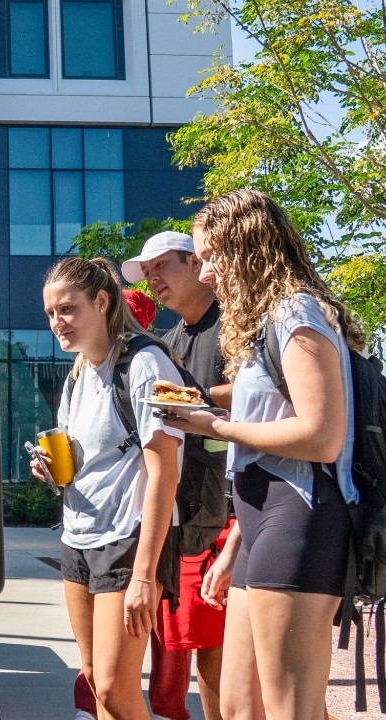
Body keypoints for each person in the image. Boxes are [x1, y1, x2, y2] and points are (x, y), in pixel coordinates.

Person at [166, 189, 361, 720]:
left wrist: (219, 427)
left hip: (301, 514)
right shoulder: (264, 320)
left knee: (288, 710)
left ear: (246, 247)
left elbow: (322, 435)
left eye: (209, 257)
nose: (205, 274)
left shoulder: (296, 310)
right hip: (261, 520)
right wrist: (234, 547)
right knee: (238, 707)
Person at [33, 257, 184, 720]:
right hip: (79, 539)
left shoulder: (144, 363)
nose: (57, 322)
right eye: (50, 314)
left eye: (68, 309)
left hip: (129, 540)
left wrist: (145, 574)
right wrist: (52, 469)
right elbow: (82, 462)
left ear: (101, 301)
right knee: (97, 681)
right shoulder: (78, 374)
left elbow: (165, 472)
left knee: (118, 689)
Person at [126, 231, 234, 720]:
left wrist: (197, 398)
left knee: (222, 661)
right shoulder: (165, 343)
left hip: (233, 513)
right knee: (176, 679)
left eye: (161, 267)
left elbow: (270, 386)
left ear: (196, 263)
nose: (153, 281)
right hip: (183, 516)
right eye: (146, 275)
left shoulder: (235, 326)